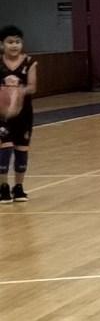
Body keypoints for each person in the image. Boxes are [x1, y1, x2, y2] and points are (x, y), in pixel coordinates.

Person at [0, 25, 36, 204]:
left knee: (21, 151)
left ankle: (18, 187)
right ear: (2, 44)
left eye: (17, 42)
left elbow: (33, 87)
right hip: (2, 114)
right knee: (4, 149)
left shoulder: (29, 62)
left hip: (24, 114)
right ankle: (3, 187)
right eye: (10, 42)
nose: (14, 45)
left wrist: (18, 90)